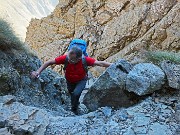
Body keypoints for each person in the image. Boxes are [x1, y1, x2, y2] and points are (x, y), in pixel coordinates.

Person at [31, 46, 112, 114]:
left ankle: (74, 110)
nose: (69, 61)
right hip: (69, 81)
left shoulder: (85, 60)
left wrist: (114, 65)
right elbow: (49, 62)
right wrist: (38, 71)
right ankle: (76, 104)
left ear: (79, 58)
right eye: (69, 58)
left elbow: (101, 63)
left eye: (72, 60)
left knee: (76, 94)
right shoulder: (66, 58)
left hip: (81, 80)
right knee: (71, 93)